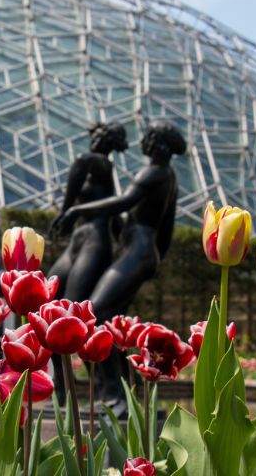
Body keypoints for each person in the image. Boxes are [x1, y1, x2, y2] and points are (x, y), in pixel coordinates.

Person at [57, 121, 186, 402]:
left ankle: (113, 394)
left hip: (137, 251)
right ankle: (118, 392)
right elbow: (166, 227)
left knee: (96, 314)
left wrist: (76, 209)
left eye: (147, 137)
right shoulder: (169, 176)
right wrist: (156, 259)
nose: (141, 142)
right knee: (111, 323)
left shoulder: (152, 172)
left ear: (155, 143)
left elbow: (123, 203)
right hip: (143, 252)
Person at [47, 122, 127, 403]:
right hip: (77, 241)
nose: (95, 137)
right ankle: (61, 389)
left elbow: (80, 164)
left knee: (72, 315)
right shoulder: (102, 173)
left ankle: (110, 389)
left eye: (102, 135)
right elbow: (114, 209)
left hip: (95, 241)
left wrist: (65, 210)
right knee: (50, 307)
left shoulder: (99, 164)